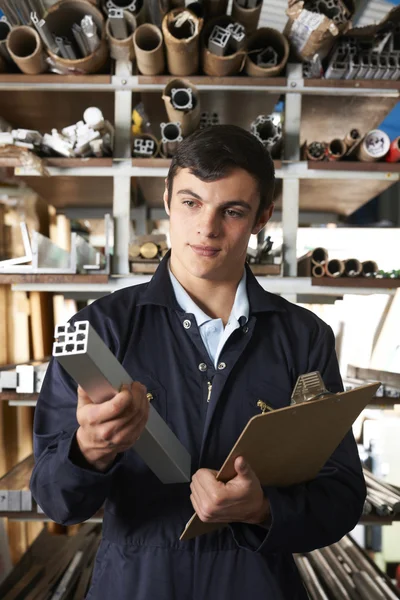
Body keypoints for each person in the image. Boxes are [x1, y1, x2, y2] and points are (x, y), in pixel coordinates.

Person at [31, 125, 366, 600]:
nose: (207, 228)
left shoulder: (303, 337)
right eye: (191, 203)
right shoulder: (100, 332)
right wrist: (88, 451)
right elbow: (52, 498)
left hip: (257, 586)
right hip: (137, 585)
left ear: (262, 217)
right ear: (167, 199)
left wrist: (262, 509)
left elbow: (342, 495)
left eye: (231, 211)